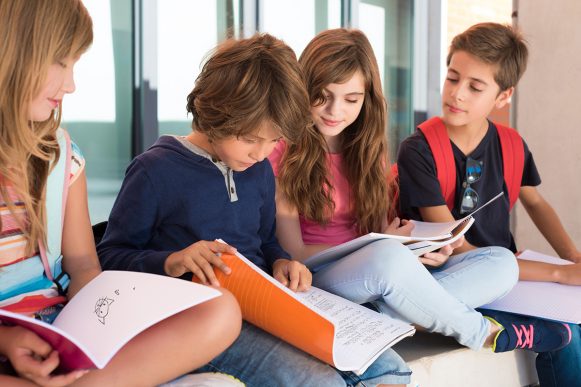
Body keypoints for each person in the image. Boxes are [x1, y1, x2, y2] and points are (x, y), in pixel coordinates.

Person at [97, 32, 410, 387]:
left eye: (274, 140)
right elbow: (109, 257)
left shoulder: (258, 169)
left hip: (270, 307)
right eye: (249, 139)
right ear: (214, 114)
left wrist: (282, 262)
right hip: (203, 318)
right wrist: (172, 261)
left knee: (389, 368)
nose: (261, 154)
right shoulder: (155, 171)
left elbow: (265, 242)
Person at [270, 27, 571, 360]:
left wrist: (414, 248)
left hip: (375, 277)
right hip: (317, 275)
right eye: (322, 96)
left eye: (351, 99)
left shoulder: (366, 152)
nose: (334, 109)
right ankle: (483, 332)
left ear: (366, 99)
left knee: (501, 263)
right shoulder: (284, 152)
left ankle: (380, 319)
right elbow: (292, 250)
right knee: (389, 259)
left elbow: (379, 236)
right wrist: (382, 248)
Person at [0, 1, 241, 386]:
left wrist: (97, 331)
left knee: (221, 311)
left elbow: (82, 267)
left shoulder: (62, 157)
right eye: (61, 61)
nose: (71, 84)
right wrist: (7, 339)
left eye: (75, 64)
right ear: (14, 52)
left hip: (56, 333)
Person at [397, 22, 580, 387]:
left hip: (506, 275)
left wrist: (573, 258)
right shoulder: (418, 150)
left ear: (503, 96)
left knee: (573, 323)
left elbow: (536, 203)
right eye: (452, 78)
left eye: (475, 87)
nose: (457, 94)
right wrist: (560, 274)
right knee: (565, 337)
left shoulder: (512, 145)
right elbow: (458, 247)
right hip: (451, 275)